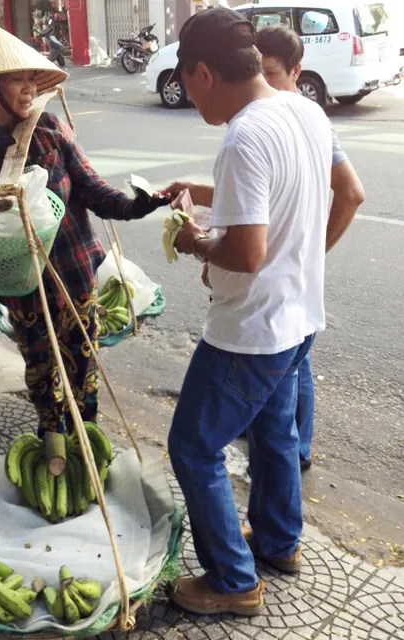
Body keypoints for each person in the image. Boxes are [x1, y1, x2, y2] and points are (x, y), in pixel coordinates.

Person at [162, 8, 332, 615]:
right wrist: (204, 198)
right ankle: (281, 542)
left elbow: (245, 250)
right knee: (274, 431)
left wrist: (193, 240)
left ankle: (233, 582)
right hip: (300, 315)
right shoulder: (302, 110)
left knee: (193, 447)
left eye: (186, 83)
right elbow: (307, 197)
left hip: (251, 330)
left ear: (204, 72)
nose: (188, 97)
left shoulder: (243, 136)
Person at [0, 25, 166, 435]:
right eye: (17, 79)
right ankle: (53, 444)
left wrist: (135, 206)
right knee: (41, 375)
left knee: (83, 372)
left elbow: (91, 189)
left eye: (32, 78)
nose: (30, 88)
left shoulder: (48, 128)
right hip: (21, 285)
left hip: (73, 274)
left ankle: (87, 444)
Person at [256, 25, 365, 470]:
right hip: (290, 280)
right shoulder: (278, 116)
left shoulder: (303, 117)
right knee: (296, 361)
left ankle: (291, 456)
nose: (260, 84)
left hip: (283, 283)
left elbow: (352, 193)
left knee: (291, 365)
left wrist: (313, 252)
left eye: (270, 74)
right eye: (253, 72)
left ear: (297, 71)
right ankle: (292, 451)